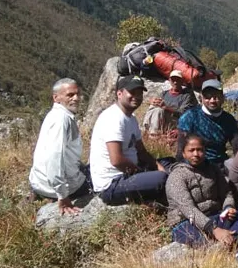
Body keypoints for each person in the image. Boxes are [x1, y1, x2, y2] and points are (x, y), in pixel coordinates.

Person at [166, 134, 238, 247]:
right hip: (187, 222)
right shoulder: (177, 176)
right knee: (201, 243)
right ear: (183, 153)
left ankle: (227, 243)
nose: (196, 154)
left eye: (200, 150)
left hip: (216, 216)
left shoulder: (213, 169)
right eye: (191, 150)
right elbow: (188, 209)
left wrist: (228, 207)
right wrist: (214, 229)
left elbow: (227, 193)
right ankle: (226, 245)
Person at [90, 75, 169, 205]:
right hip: (112, 184)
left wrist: (159, 167)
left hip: (128, 173)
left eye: (139, 93)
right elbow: (117, 160)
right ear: (119, 93)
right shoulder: (114, 118)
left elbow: (141, 152)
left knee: (168, 163)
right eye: (132, 92)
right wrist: (141, 172)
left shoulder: (130, 118)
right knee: (162, 179)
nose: (136, 97)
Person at [29, 78, 90, 214]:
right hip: (57, 187)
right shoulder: (61, 120)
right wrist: (62, 196)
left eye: (78, 94)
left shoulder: (56, 115)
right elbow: (54, 158)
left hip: (40, 181)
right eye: (70, 95)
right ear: (56, 98)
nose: (76, 98)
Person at [176, 79, 238, 169]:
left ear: (222, 97)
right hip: (194, 164)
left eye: (216, 96)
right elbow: (181, 147)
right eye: (207, 97)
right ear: (201, 97)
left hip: (219, 163)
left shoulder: (229, 119)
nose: (212, 100)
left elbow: (237, 145)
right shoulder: (189, 116)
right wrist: (181, 168)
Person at [143, 70, 198, 143]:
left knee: (158, 110)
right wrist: (151, 101)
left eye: (178, 80)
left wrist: (166, 108)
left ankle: (154, 135)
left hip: (176, 121)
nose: (175, 82)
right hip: (162, 119)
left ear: (182, 81)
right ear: (169, 80)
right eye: (173, 79)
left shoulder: (187, 95)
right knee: (153, 107)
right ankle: (149, 131)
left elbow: (184, 113)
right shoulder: (164, 93)